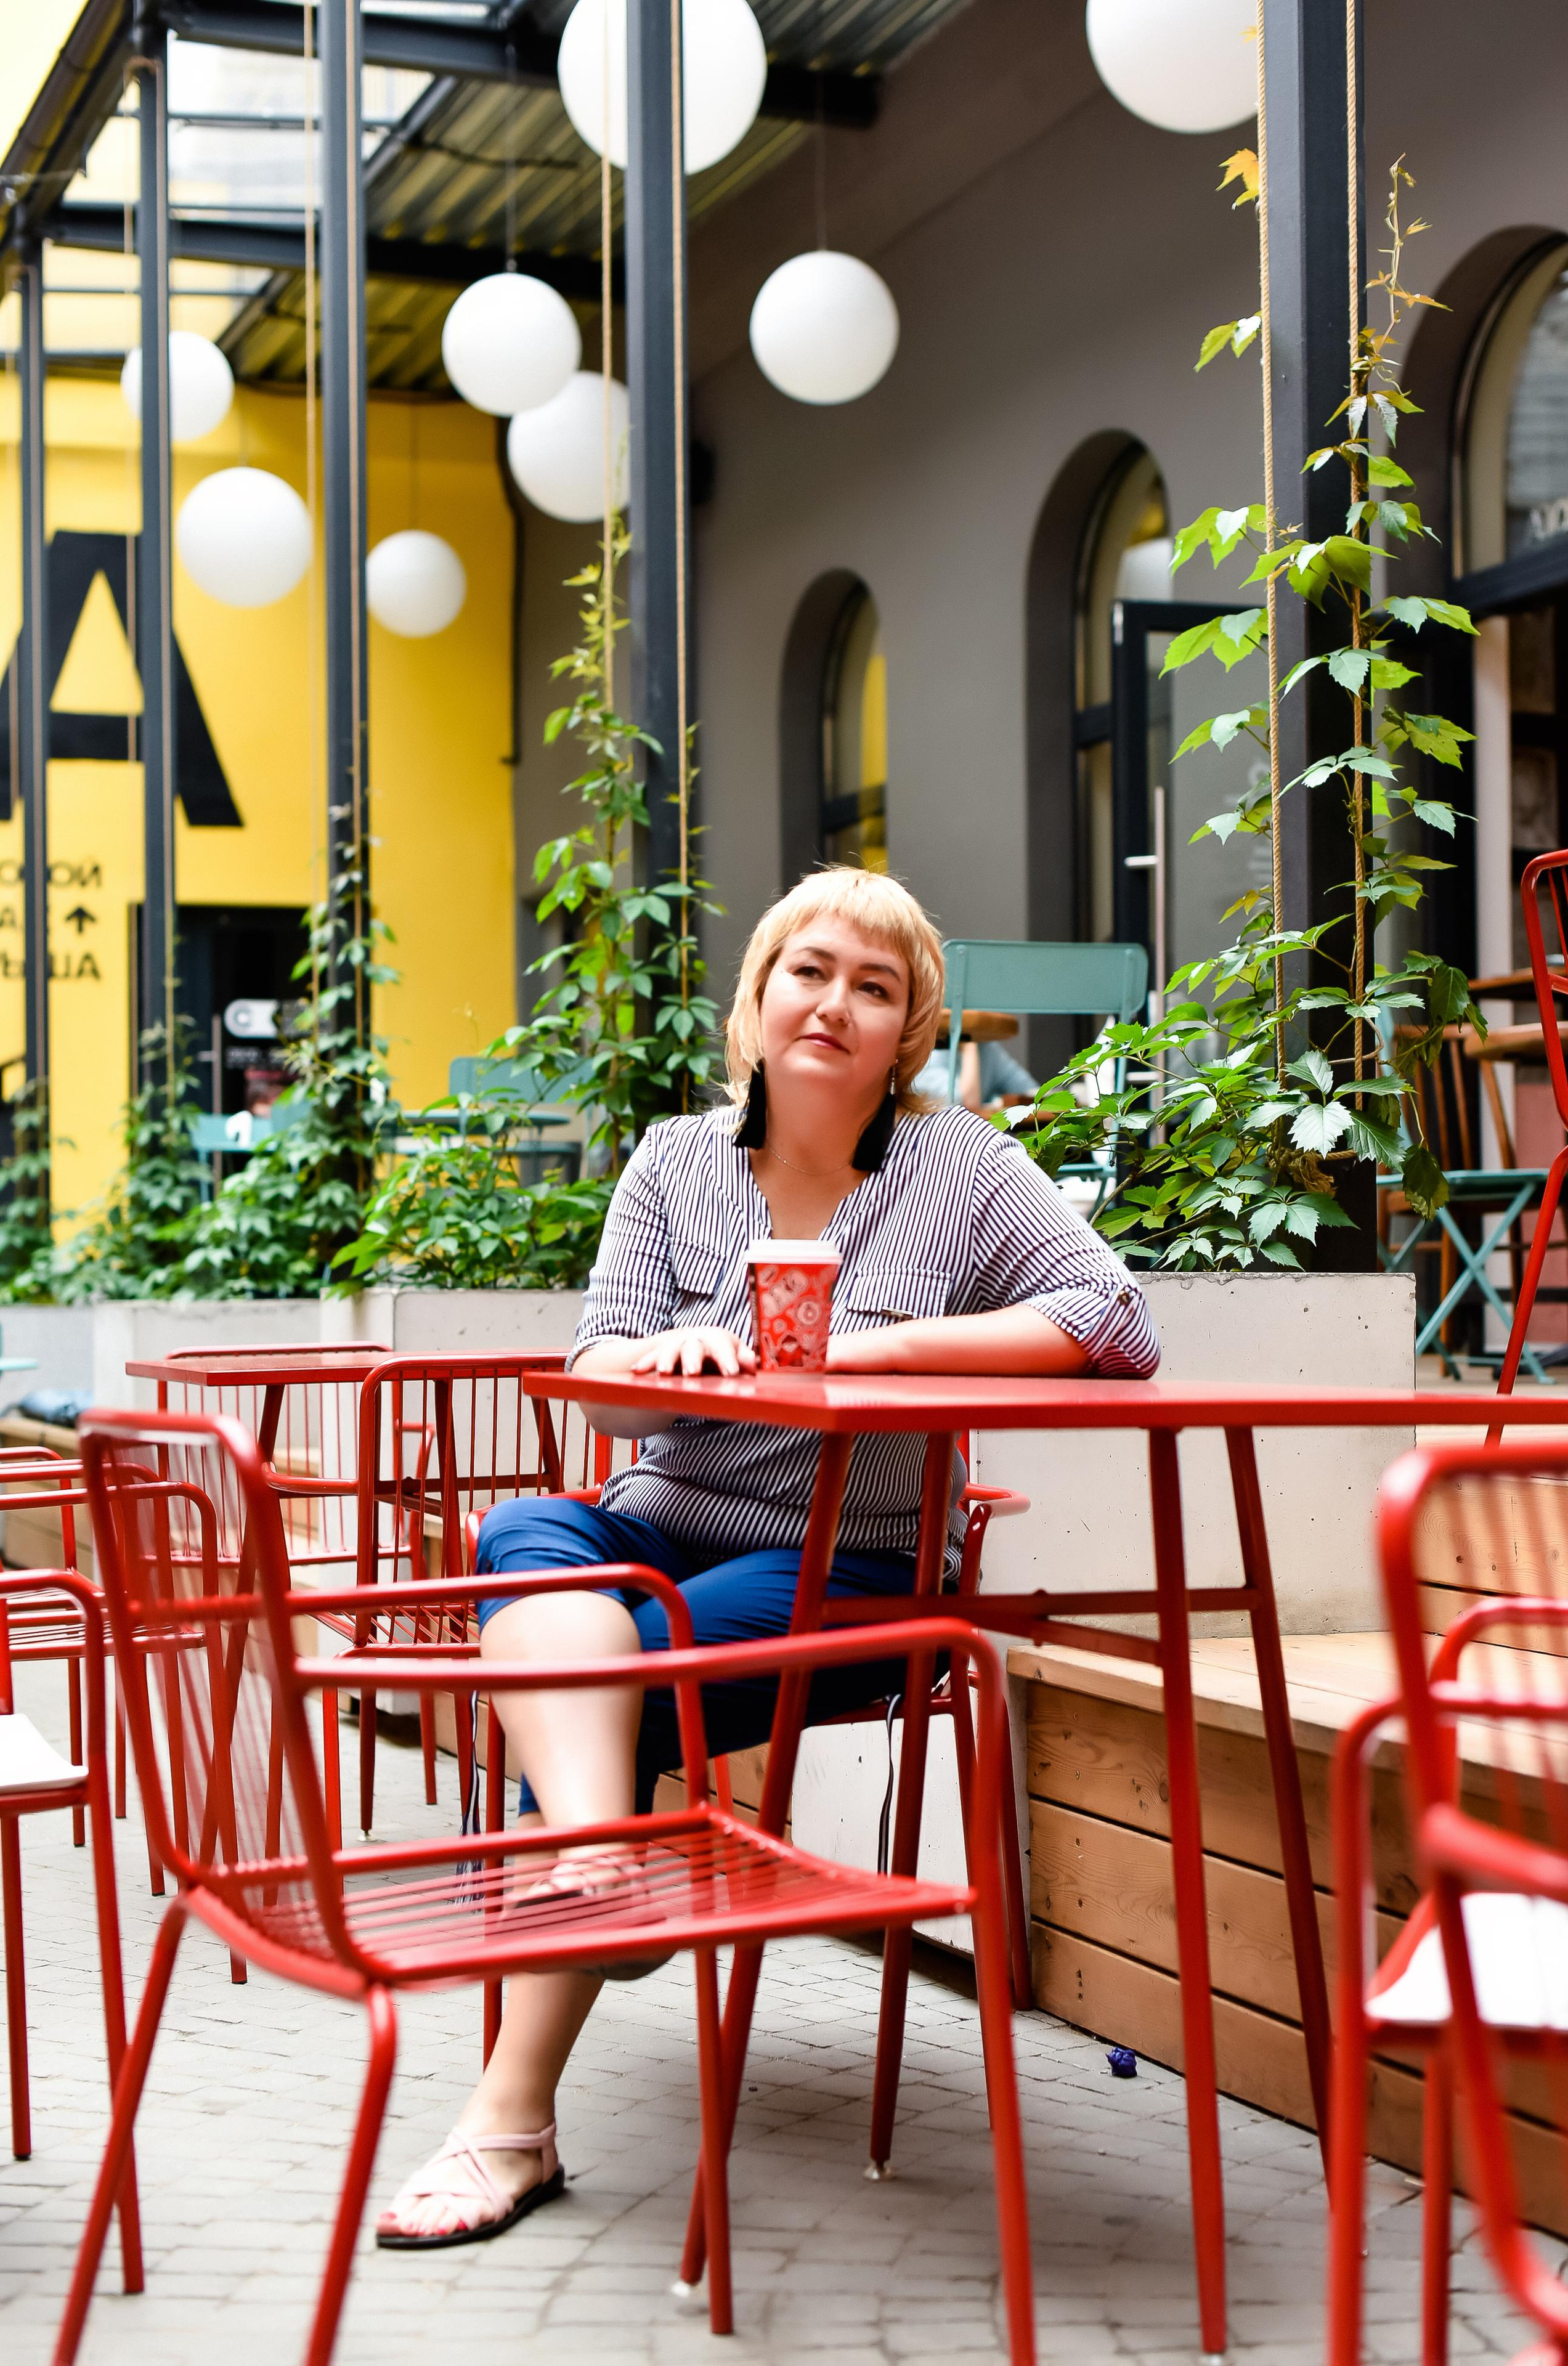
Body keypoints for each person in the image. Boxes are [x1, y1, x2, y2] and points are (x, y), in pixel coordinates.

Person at [376, 866, 1159, 2249]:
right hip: (658, 1519)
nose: (835, 1005)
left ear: (910, 1030)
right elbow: (596, 1383)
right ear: (756, 997)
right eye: (809, 971)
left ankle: (508, 2118)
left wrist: (859, 1350)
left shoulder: (959, 1166)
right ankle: (598, 1851)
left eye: (875, 987)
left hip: (851, 1552)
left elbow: (1110, 1316)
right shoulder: (675, 1164)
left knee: (599, 1678)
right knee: (524, 1540)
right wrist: (662, 1359)